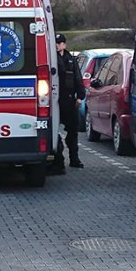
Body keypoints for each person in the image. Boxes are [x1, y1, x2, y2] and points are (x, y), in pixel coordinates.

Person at [49, 33, 85, 174]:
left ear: (64, 44)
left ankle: (74, 159)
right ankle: (59, 161)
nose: (58, 45)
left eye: (60, 43)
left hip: (70, 101)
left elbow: (78, 78)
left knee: (72, 132)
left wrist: (80, 96)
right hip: (56, 100)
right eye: (56, 43)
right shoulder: (51, 58)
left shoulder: (71, 59)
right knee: (54, 131)